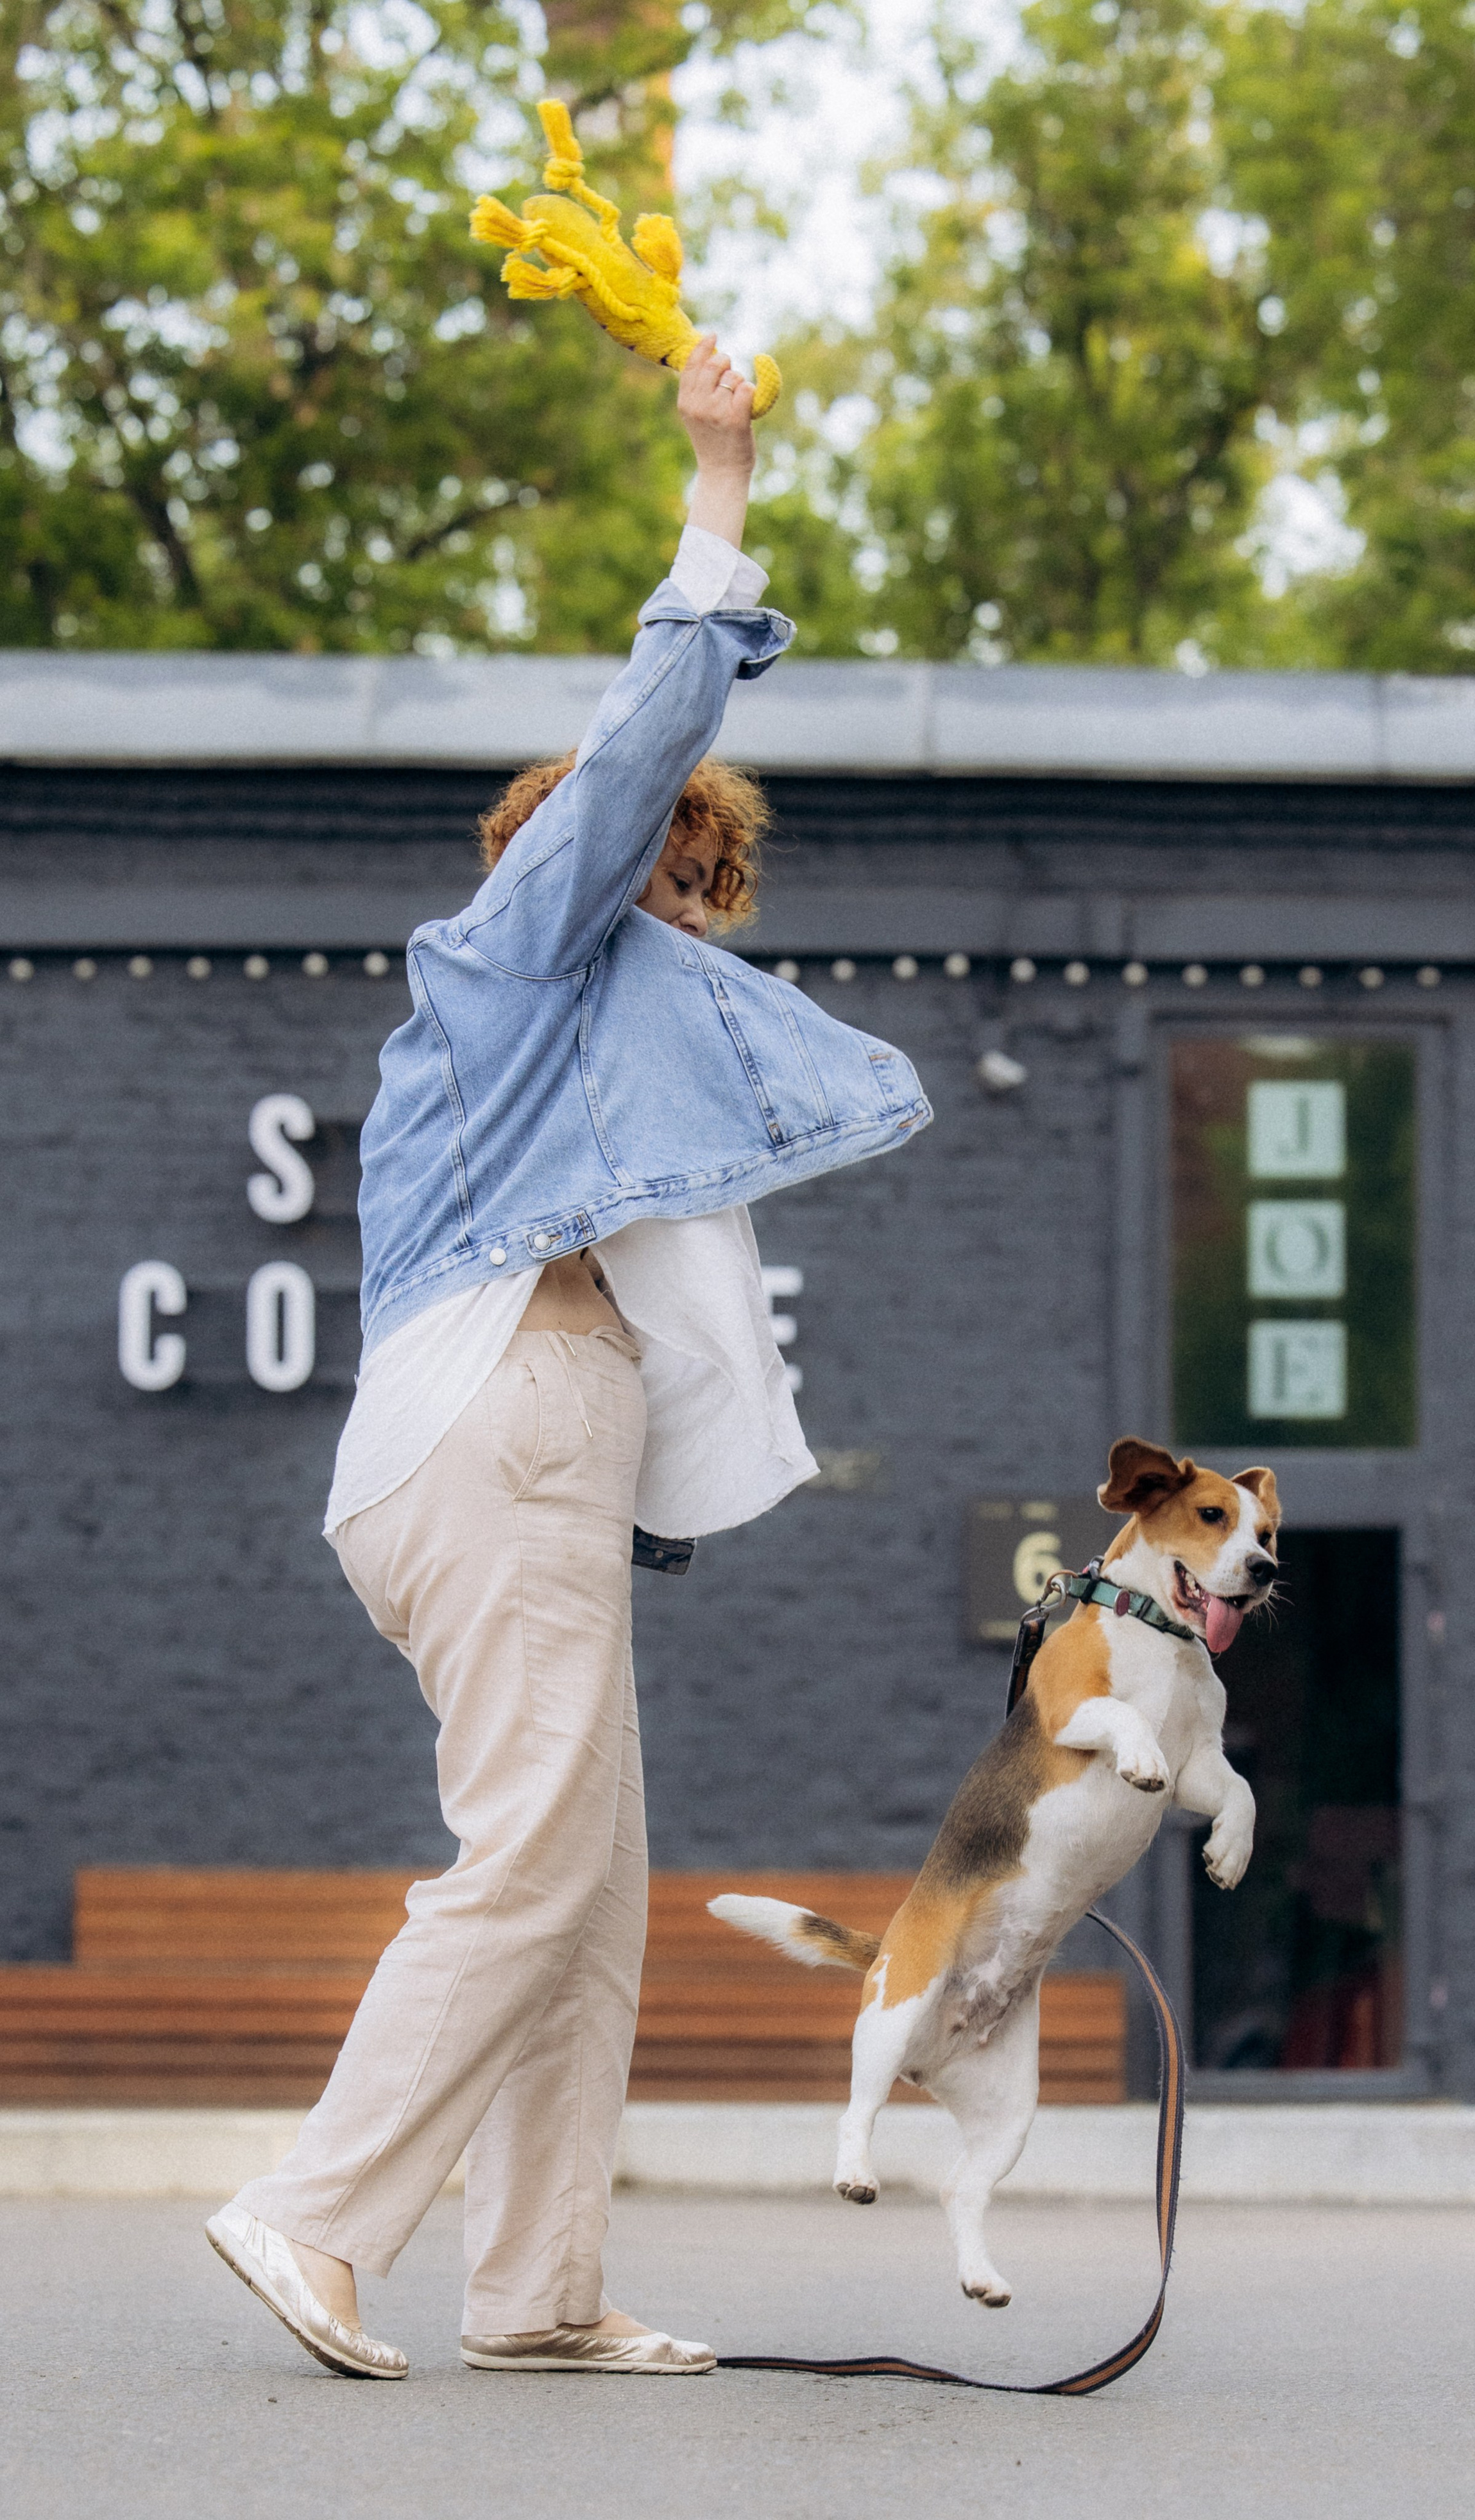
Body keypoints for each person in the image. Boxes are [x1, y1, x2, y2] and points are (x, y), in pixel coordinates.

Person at [205, 337, 932, 2381]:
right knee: (531, 1857)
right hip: (500, 1425)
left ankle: (537, 2288)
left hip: (514, 1457)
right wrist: (719, 493)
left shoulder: (570, 1067)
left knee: (591, 1884)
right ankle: (311, 2209)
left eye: (717, 888)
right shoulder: (516, 952)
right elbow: (633, 757)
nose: (697, 918)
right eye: (677, 880)